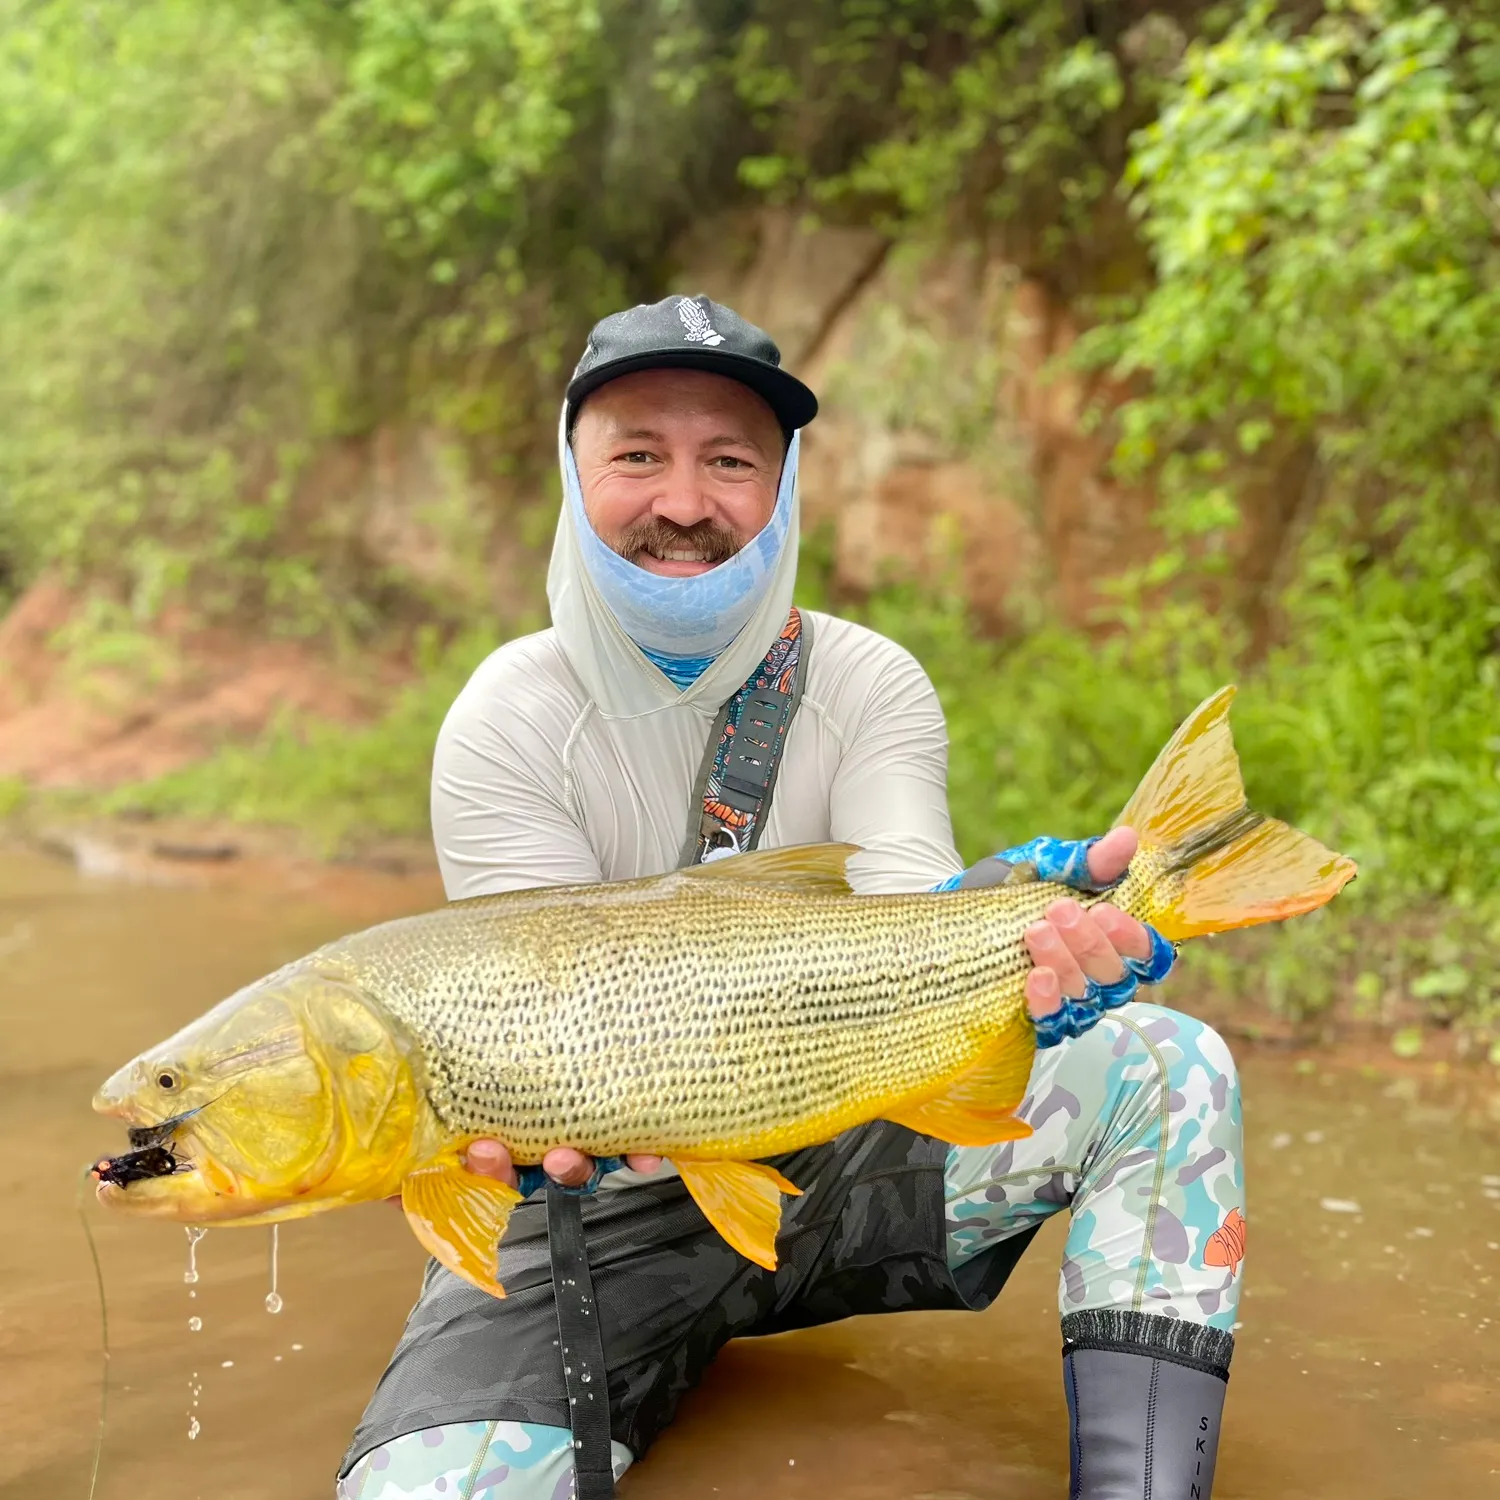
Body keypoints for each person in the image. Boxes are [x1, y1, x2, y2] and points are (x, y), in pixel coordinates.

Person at [337, 297, 1244, 1500]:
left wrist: (1019, 915)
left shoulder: (867, 681)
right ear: (574, 475)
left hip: (842, 1146)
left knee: (1166, 1066)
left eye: (731, 461)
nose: (683, 502)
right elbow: (533, 1037)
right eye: (638, 456)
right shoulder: (507, 718)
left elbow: (904, 906)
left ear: (785, 486)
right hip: (586, 1226)